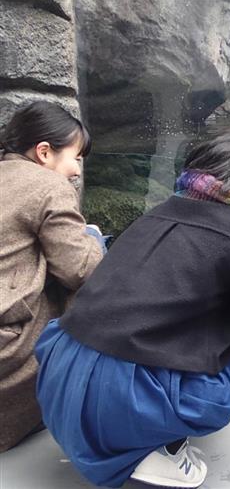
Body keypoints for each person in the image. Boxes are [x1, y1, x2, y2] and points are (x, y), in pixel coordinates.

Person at [34, 127, 230, 488]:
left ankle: (128, 434)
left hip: (58, 382)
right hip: (120, 401)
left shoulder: (155, 214)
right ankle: (162, 447)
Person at [0, 101, 104, 452]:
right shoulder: (48, 186)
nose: (77, 170)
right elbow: (80, 269)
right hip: (7, 346)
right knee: (93, 272)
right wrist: (95, 243)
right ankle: (72, 402)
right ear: (44, 152)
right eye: (75, 157)